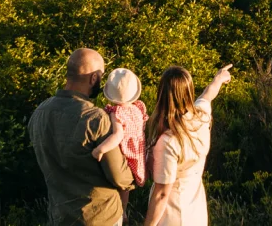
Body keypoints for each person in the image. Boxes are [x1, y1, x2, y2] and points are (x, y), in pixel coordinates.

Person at [30, 48, 135, 226]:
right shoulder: (95, 118)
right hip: (100, 217)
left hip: (59, 216)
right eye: (101, 76)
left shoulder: (40, 112)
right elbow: (119, 176)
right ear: (93, 77)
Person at [143, 64, 233, 226]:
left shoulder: (168, 141)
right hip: (195, 210)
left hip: (172, 215)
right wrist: (219, 78)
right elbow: (207, 96)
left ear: (162, 95)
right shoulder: (201, 118)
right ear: (189, 91)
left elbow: (162, 194)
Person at [93, 68, 150, 220]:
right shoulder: (138, 108)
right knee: (127, 186)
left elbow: (118, 135)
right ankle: (124, 210)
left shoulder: (116, 112)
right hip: (138, 151)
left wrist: (100, 149)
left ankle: (120, 211)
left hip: (125, 151)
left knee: (119, 182)